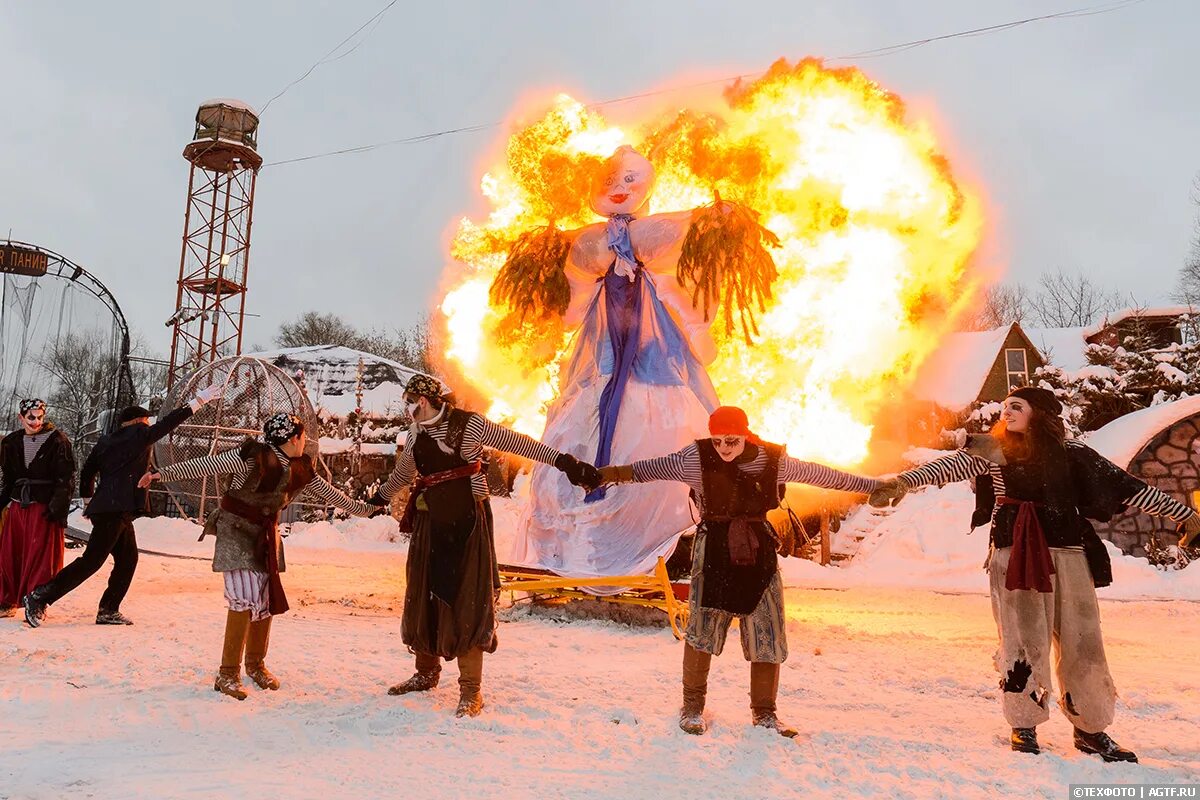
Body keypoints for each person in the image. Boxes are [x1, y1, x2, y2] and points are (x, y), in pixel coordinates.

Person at [871, 386, 1200, 762]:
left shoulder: (1073, 454)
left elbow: (1128, 489)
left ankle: (1091, 730)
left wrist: (1185, 514)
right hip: (1014, 554)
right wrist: (902, 482)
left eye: (1017, 406)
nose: (1006, 411)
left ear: (1039, 413)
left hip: (1069, 554)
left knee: (1084, 641)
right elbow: (948, 466)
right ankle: (1023, 724)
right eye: (1006, 405)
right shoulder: (993, 450)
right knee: (1023, 639)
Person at [508, 145, 779, 586]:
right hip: (604, 364)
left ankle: (664, 551)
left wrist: (716, 217)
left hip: (654, 362)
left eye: (628, 181)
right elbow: (574, 289)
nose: (618, 190)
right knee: (582, 441)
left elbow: (678, 243)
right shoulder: (595, 244)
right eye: (610, 183)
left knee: (659, 451)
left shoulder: (649, 237)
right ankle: (588, 552)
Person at [597, 405, 879, 737]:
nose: (724, 448)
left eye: (731, 440)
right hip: (713, 550)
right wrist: (605, 475)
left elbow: (822, 475)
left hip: (758, 552)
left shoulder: (774, 461)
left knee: (768, 631)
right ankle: (692, 708)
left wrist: (873, 486)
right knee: (702, 629)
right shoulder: (695, 458)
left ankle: (765, 714)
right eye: (717, 441)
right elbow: (649, 469)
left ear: (744, 435)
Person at [373, 374, 600, 717]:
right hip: (429, 523)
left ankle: (470, 690)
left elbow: (521, 443)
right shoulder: (416, 433)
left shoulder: (470, 425)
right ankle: (426, 672)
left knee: (466, 600)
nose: (406, 408)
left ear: (422, 400)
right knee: (424, 594)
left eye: (408, 400)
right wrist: (376, 499)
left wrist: (567, 464)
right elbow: (404, 475)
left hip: (467, 521)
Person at [144, 412, 384, 700]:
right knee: (244, 597)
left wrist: (367, 509)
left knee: (265, 601)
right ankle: (227, 674)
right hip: (235, 530)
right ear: (295, 438)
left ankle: (256, 664)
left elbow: (333, 495)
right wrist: (161, 473)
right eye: (303, 437)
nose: (304, 441)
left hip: (265, 536)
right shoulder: (252, 456)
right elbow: (208, 464)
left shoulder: (301, 468)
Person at [22, 385, 222, 627]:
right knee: (91, 561)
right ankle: (40, 596)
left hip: (114, 509)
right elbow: (169, 423)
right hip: (116, 509)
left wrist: (89, 500)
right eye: (146, 421)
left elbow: (87, 471)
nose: (149, 425)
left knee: (128, 560)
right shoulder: (139, 434)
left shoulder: (106, 441)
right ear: (138, 421)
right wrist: (198, 401)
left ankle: (108, 610)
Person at [1, 400, 74, 617]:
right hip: (18, 507)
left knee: (39, 557)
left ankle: (36, 600)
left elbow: (66, 478)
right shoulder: (11, 442)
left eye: (40, 417)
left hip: (43, 508)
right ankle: (6, 601)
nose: (36, 422)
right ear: (21, 417)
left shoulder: (58, 441)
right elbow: (9, 479)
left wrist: (57, 508)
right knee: (9, 555)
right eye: (31, 417)